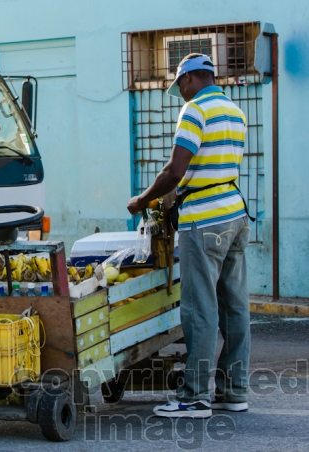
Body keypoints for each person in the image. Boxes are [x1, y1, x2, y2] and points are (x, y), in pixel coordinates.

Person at [127, 54, 251, 418]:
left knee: (200, 308)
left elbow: (174, 170)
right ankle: (234, 391)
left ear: (192, 79)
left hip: (204, 221)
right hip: (235, 216)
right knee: (235, 306)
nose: (180, 93)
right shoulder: (235, 111)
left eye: (180, 85)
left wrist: (142, 200)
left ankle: (195, 396)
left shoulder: (195, 110)